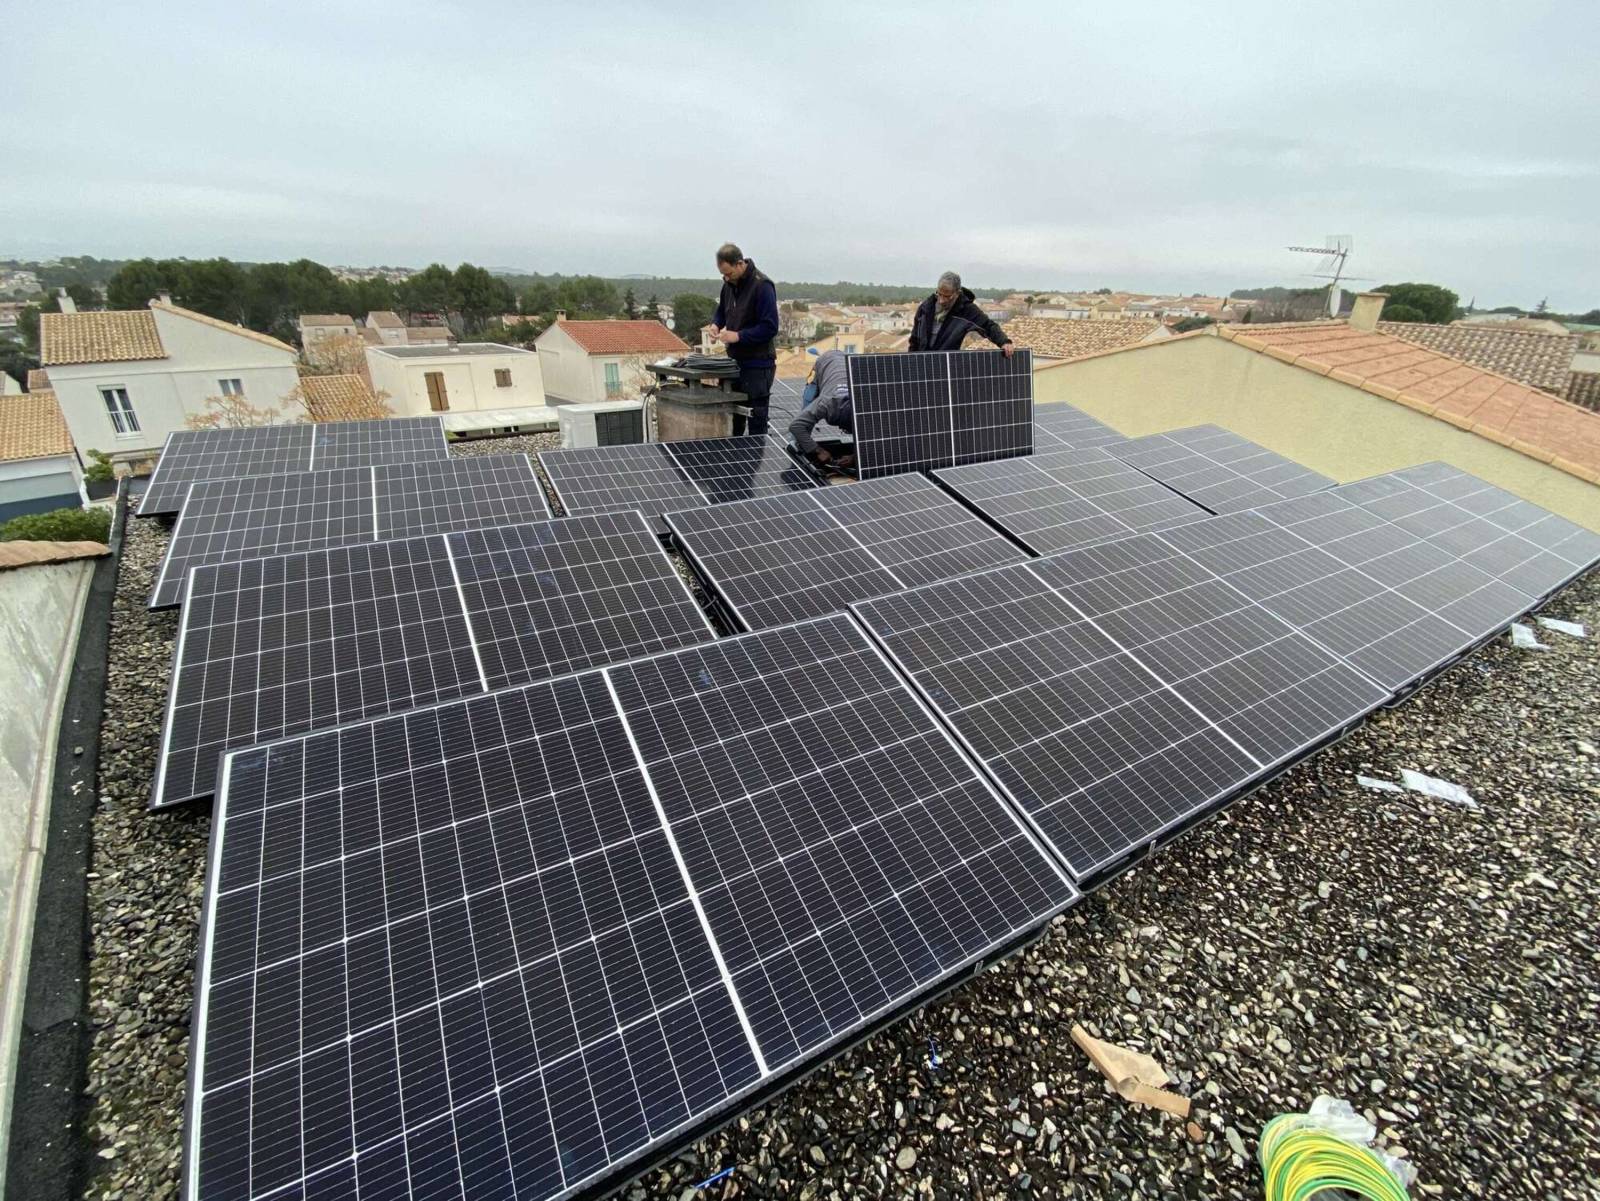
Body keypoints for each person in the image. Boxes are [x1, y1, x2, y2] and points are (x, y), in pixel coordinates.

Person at [708, 243, 780, 436]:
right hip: (735, 364)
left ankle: (757, 463)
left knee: (756, 424)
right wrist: (715, 324)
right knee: (733, 422)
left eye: (729, 273)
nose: (726, 278)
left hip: (758, 366)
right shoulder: (729, 285)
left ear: (740, 264)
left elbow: (770, 327)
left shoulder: (762, 286)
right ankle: (735, 465)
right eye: (722, 274)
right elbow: (722, 311)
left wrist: (738, 336)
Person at [908, 270, 1016, 356]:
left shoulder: (966, 310)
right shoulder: (926, 308)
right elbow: (914, 340)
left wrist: (1004, 342)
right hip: (922, 363)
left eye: (947, 296)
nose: (941, 300)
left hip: (946, 365)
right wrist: (911, 362)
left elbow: (988, 326)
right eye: (939, 294)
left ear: (957, 293)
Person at [789, 348, 855, 468]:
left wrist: (854, 457)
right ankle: (795, 449)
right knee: (807, 407)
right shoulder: (825, 403)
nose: (841, 430)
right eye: (843, 428)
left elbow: (876, 437)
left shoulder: (865, 406)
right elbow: (796, 426)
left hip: (846, 362)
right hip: (825, 361)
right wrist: (817, 450)